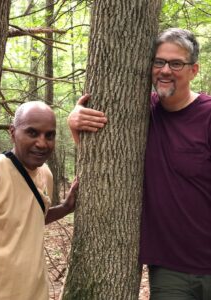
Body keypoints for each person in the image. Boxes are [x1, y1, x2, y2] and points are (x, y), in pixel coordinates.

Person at [67, 28, 211, 299]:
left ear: (193, 70)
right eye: (159, 62)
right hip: (170, 270)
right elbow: (103, 160)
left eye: (176, 63)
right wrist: (74, 120)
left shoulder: (207, 115)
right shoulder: (136, 114)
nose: (165, 70)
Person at [0, 101, 78, 300]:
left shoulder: (45, 173)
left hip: (36, 293)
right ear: (12, 132)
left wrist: (67, 207)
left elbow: (33, 219)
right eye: (32, 133)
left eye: (49, 135)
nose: (42, 143)